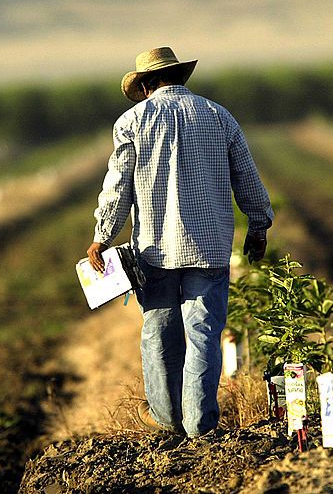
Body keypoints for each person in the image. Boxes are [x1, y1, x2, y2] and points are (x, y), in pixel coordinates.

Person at [86, 46, 273, 439]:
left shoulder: (131, 122)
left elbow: (118, 186)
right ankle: (200, 426)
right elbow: (246, 176)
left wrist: (103, 236)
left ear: (147, 84)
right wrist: (259, 225)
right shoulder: (217, 115)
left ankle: (169, 423)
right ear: (178, 77)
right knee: (205, 333)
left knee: (158, 333)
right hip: (209, 245)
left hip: (154, 249)